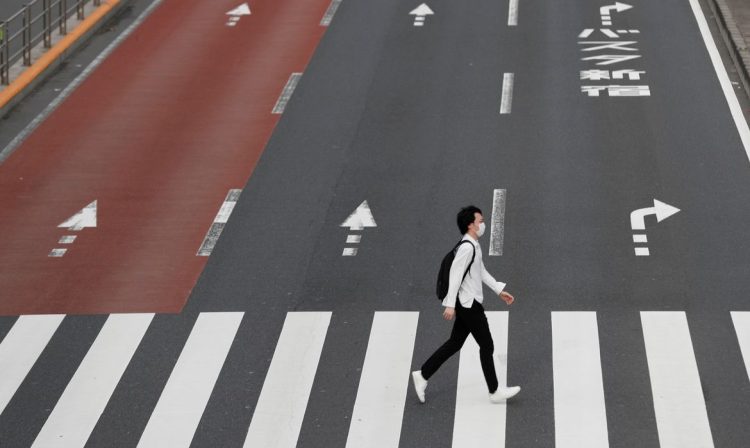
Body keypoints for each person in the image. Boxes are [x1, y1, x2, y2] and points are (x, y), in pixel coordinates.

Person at [412, 205, 520, 403]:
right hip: (468, 305)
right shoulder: (467, 248)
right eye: (481, 221)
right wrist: (450, 304)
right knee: (487, 345)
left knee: (455, 343)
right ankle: (494, 391)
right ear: (471, 225)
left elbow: (481, 271)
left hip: (468, 302)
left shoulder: (472, 245)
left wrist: (498, 290)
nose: (483, 224)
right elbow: (455, 276)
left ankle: (423, 374)